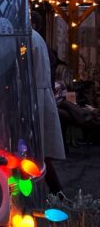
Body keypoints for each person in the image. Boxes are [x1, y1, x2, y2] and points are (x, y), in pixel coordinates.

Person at [31, 29, 65, 195]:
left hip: (34, 96)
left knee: (37, 149)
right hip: (39, 93)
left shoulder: (29, 38)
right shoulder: (38, 38)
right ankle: (55, 191)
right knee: (40, 149)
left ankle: (54, 191)